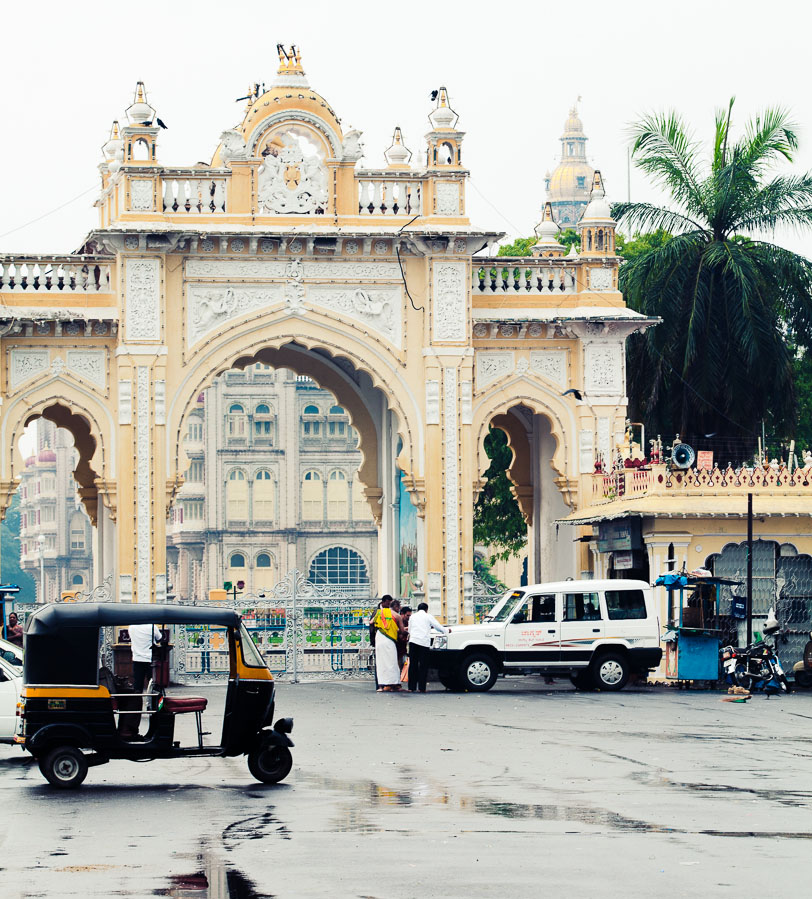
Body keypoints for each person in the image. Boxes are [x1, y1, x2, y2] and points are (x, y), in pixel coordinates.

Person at [123, 622, 162, 739]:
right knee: (153, 685)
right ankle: (153, 707)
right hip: (150, 658)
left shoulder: (131, 627)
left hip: (137, 659)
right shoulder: (152, 626)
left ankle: (136, 710)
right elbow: (159, 638)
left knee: (137, 688)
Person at [407, 602, 448, 693]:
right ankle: (422, 688)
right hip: (423, 643)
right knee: (423, 666)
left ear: (418, 609)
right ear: (426, 609)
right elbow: (437, 626)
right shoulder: (428, 616)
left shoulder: (412, 617)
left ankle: (411, 687)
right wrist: (446, 631)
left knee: (413, 665)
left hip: (413, 641)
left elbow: (410, 629)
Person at [371, 595, 405, 692]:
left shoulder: (379, 613)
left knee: (381, 662)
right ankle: (394, 684)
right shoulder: (397, 616)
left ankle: (381, 686)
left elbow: (370, 622)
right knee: (392, 662)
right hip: (389, 640)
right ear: (396, 607)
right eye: (399, 607)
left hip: (379, 637)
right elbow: (402, 631)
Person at [397, 606, 412, 671]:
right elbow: (395, 630)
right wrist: (405, 629)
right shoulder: (397, 620)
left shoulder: (407, 622)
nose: (408, 617)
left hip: (403, 647)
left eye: (410, 616)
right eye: (407, 615)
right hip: (397, 645)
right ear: (402, 614)